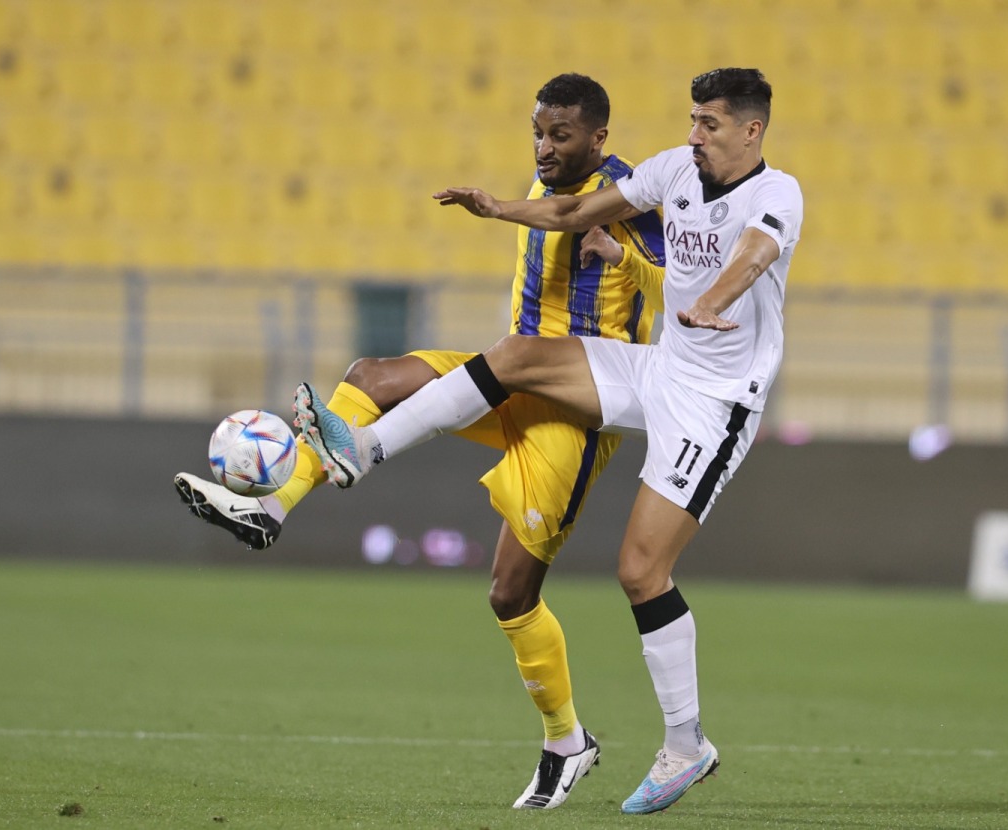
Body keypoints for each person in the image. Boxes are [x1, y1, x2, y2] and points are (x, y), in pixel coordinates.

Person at [293, 67, 803, 815]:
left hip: (717, 405)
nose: (694, 135)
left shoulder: (776, 193)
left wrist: (710, 305)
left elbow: (754, 255)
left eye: (711, 125)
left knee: (639, 571)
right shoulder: (672, 170)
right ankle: (362, 452)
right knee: (518, 355)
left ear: (751, 132)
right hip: (661, 369)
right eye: (693, 120)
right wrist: (497, 208)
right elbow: (573, 212)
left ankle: (686, 744)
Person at [174, 73, 667, 810]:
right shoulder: (541, 181)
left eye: (560, 135)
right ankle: (272, 506)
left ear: (598, 137)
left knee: (510, 593)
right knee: (372, 376)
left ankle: (567, 741)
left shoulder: (631, 197)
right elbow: (550, 211)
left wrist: (622, 259)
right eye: (537, 131)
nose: (544, 146)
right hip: (505, 381)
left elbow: (673, 293)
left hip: (573, 414)